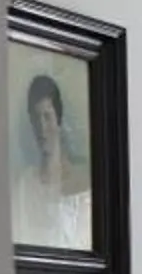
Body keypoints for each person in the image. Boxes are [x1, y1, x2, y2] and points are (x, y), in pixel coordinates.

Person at [12, 70, 92, 250]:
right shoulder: (25, 185)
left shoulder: (84, 183)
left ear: (59, 119)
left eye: (47, 117)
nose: (42, 127)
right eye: (36, 118)